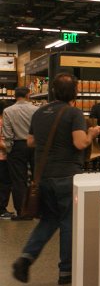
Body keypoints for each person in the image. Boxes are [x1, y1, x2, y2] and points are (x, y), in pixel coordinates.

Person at [12, 73, 100, 285]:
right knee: (68, 222)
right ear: (75, 92)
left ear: (53, 91)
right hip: (66, 175)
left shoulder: (39, 112)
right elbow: (80, 143)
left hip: (43, 176)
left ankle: (26, 257)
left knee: (49, 219)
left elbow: (30, 142)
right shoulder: (73, 113)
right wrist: (92, 133)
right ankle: (66, 271)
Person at [1, 86, 38, 220]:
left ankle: (22, 212)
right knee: (37, 178)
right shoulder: (36, 110)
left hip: (17, 147)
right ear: (28, 95)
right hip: (34, 145)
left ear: (15, 96)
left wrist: (9, 148)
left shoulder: (8, 111)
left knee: (18, 181)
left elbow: (7, 133)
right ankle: (39, 210)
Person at [0, 101, 13, 218]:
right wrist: (9, 148)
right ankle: (2, 209)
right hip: (2, 157)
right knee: (5, 184)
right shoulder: (1, 122)